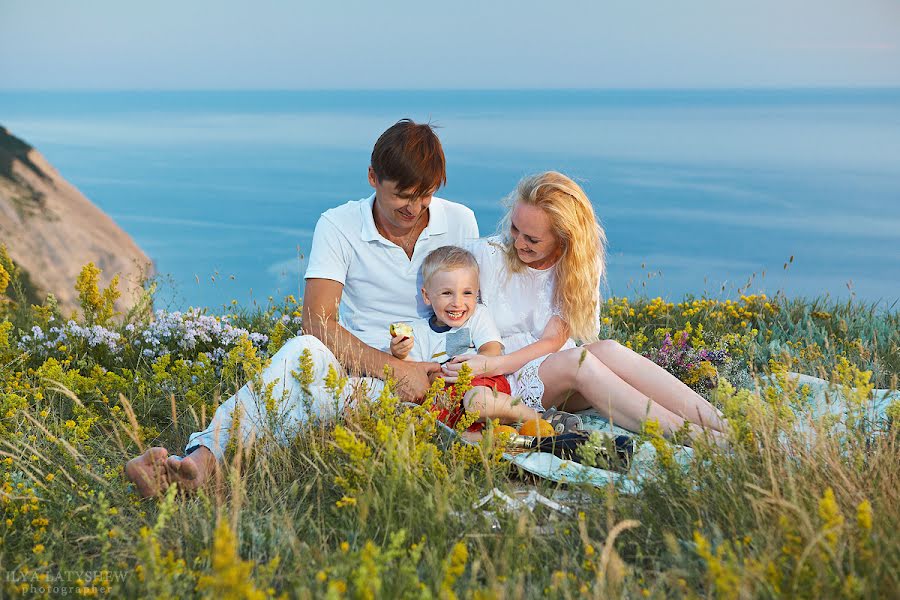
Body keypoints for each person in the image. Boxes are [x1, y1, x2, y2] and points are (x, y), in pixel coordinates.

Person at [125, 119, 479, 497]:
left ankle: (202, 475)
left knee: (307, 398)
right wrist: (395, 371)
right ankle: (199, 462)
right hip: (354, 363)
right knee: (302, 351)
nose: (415, 207)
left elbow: (475, 309)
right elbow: (316, 321)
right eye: (403, 196)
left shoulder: (459, 220)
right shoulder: (339, 224)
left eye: (425, 195)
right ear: (373, 177)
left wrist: (451, 372)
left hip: (432, 373)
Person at [441, 171, 727, 441]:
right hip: (500, 379)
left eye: (532, 239)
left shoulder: (576, 267)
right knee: (580, 363)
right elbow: (449, 315)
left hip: (544, 366)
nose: (517, 242)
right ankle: (696, 437)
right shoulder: (484, 256)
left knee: (610, 350)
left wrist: (498, 362)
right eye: (515, 229)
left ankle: (722, 424)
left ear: (563, 239)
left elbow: (554, 340)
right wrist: (491, 364)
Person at [391, 245, 579, 429]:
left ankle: (540, 419)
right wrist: (400, 354)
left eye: (467, 293)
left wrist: (472, 366)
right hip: (446, 396)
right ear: (427, 296)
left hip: (481, 383)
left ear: (477, 294)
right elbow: (412, 370)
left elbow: (492, 350)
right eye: (447, 293)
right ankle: (499, 434)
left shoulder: (477, 316)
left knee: (476, 402)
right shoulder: (418, 332)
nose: (457, 303)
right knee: (427, 421)